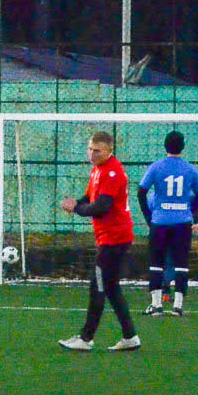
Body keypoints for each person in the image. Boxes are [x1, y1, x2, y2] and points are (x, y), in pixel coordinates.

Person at [58, 131, 140, 351]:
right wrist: (75, 202)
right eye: (90, 149)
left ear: (109, 151)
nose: (92, 154)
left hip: (115, 238)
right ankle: (130, 336)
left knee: (98, 286)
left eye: (97, 150)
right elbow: (90, 199)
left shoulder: (113, 172)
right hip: (108, 237)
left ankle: (85, 338)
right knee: (111, 288)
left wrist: (76, 208)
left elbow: (101, 207)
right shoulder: (98, 170)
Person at [137, 131, 198, 316]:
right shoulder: (190, 169)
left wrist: (148, 217)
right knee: (181, 263)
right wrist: (188, 210)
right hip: (182, 223)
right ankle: (178, 306)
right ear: (182, 147)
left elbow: (141, 191)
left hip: (159, 222)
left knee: (156, 263)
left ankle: (156, 305)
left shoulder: (156, 167)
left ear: (165, 146)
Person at [147, 190, 198, 304]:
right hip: (179, 230)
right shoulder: (183, 191)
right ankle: (176, 297)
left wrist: (152, 224)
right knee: (176, 261)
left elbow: (150, 209)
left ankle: (162, 293)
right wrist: (197, 220)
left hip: (161, 230)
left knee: (162, 261)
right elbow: (195, 200)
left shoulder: (155, 194)